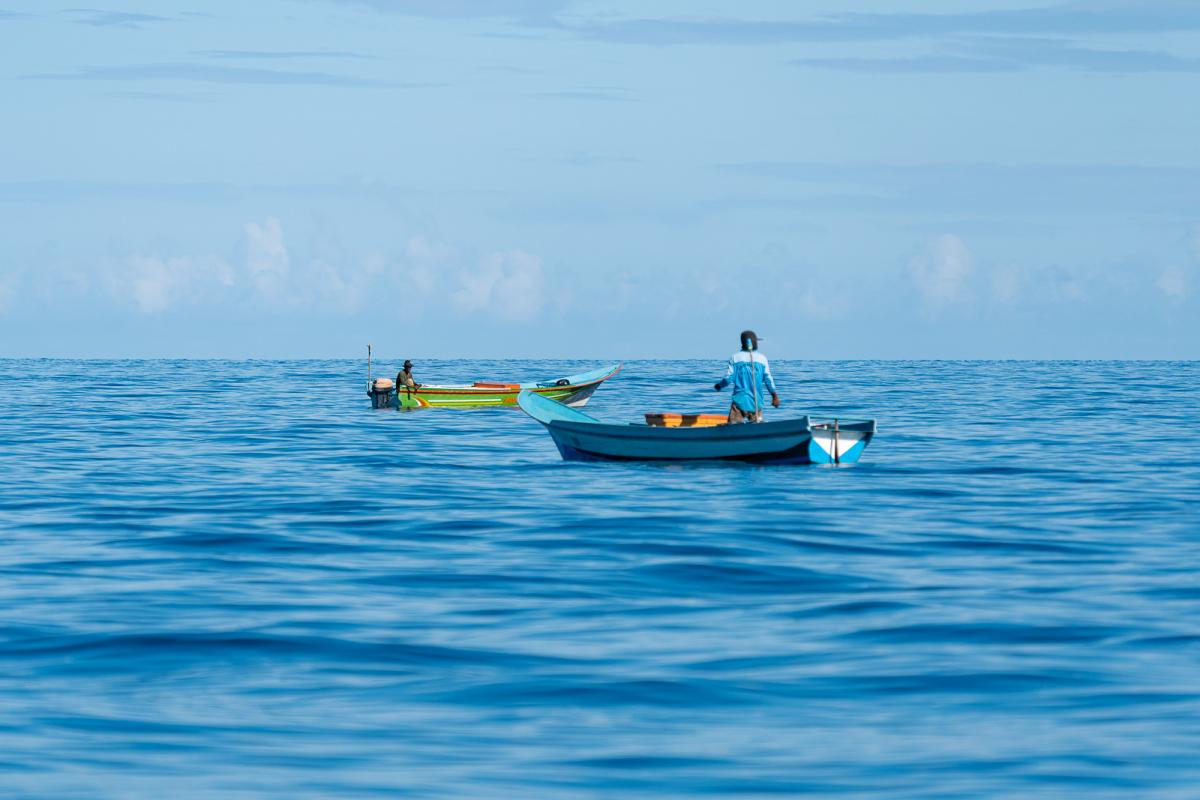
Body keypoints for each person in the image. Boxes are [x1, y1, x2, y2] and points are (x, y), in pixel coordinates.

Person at [713, 330, 780, 423]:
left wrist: (719, 385)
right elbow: (768, 379)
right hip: (756, 404)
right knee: (757, 427)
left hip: (739, 403)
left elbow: (729, 378)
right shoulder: (762, 359)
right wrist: (774, 396)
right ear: (754, 343)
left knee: (734, 429)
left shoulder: (735, 358)